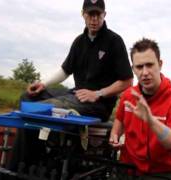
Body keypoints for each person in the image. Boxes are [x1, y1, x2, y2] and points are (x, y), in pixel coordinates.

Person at [8, 0, 133, 175]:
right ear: (83, 14)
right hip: (75, 96)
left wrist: (98, 93)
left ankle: (17, 169)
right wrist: (43, 83)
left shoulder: (114, 41)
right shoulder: (79, 42)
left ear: (105, 15)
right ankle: (30, 164)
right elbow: (65, 70)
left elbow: (127, 81)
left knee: (45, 107)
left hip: (98, 105)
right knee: (28, 98)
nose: (94, 19)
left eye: (98, 14)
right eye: (90, 14)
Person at [109, 38, 171, 180]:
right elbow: (119, 121)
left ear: (160, 65)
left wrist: (151, 121)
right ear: (133, 69)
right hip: (127, 170)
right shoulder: (129, 95)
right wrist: (114, 135)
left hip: (161, 174)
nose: (145, 72)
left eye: (149, 65)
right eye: (139, 67)